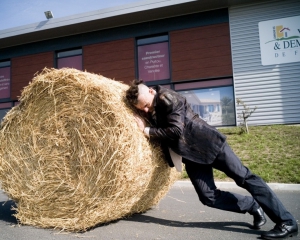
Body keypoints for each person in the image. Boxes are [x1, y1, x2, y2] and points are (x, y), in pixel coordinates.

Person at [125, 79, 298, 239]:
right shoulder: (152, 103)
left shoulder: (167, 98)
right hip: (191, 155)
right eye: (142, 109)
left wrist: (145, 131)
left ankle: (287, 222)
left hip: (210, 145)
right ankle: (251, 205)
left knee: (245, 178)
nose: (146, 110)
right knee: (208, 196)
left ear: (150, 91)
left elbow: (176, 130)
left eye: (146, 105)